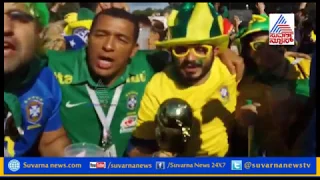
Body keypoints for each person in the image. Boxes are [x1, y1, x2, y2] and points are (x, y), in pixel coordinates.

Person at [47, 8, 171, 157]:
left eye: (121, 39)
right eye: (100, 35)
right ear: (88, 39)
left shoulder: (151, 65)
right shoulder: (55, 65)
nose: (108, 46)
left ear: (133, 50)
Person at [128, 3, 239, 157]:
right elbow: (138, 147)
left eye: (201, 49)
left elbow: (273, 56)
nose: (191, 58)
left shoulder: (230, 71)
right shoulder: (158, 86)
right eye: (181, 49)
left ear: (215, 51)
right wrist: (154, 160)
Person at [234, 14, 311, 156]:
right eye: (256, 46)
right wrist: (243, 122)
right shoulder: (247, 86)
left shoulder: (306, 68)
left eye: (272, 43)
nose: (265, 51)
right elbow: (242, 130)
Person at [4, 2, 70, 157]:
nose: (5, 28)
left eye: (18, 16)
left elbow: (51, 141)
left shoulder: (44, 79)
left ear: (39, 32)